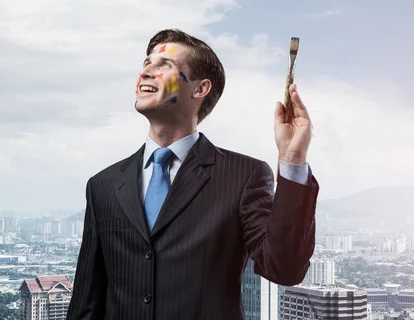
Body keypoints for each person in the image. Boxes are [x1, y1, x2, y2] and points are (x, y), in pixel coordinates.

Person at [66, 29, 319, 320]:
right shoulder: (103, 185)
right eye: (146, 63)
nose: (147, 71)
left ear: (200, 89)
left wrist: (293, 159)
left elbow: (284, 267)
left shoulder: (243, 176)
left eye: (165, 65)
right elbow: (87, 302)